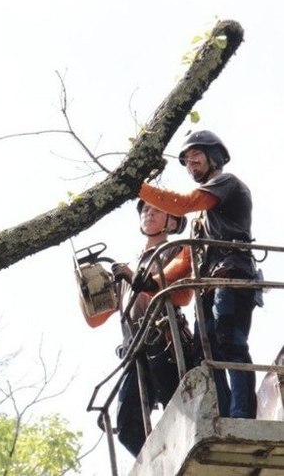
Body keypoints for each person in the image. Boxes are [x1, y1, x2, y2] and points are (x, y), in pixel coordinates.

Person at [138, 129, 261, 419]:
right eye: (187, 161)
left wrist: (137, 186)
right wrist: (153, 282)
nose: (191, 164)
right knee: (206, 354)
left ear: (214, 156)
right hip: (207, 284)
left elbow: (184, 203)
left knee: (229, 340)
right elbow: (185, 262)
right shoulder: (201, 220)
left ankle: (242, 413)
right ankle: (225, 413)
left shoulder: (225, 184)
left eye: (196, 156)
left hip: (231, 274)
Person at [80, 200, 192, 457]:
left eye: (155, 210)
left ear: (172, 222)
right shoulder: (129, 264)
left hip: (165, 340)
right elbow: (95, 318)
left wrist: (136, 278)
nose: (148, 214)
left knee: (179, 411)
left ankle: (181, 455)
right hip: (135, 350)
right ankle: (165, 465)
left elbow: (181, 295)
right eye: (144, 210)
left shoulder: (176, 250)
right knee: (128, 426)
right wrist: (85, 287)